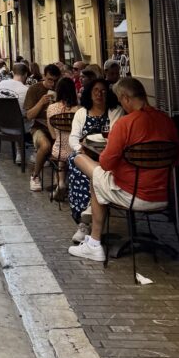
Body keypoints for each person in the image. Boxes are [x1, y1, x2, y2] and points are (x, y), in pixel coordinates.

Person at [68, 77, 179, 262]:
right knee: (96, 174)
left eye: (120, 100)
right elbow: (178, 158)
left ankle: (94, 243)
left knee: (86, 166)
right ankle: (90, 229)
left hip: (133, 194)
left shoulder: (125, 123)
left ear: (126, 98)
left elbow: (105, 163)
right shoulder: (166, 120)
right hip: (164, 196)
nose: (121, 104)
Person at [67, 78, 122, 242]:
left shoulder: (115, 111)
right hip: (86, 153)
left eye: (103, 91)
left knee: (94, 171)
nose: (99, 94)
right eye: (96, 90)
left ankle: (89, 213)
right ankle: (83, 222)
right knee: (74, 161)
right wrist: (79, 148)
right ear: (89, 93)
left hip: (107, 155)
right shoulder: (81, 113)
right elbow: (73, 137)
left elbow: (115, 136)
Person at [23, 64, 61, 191]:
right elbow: (29, 116)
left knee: (64, 145)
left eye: (55, 81)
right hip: (38, 127)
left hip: (57, 128)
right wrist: (41, 102)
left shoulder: (60, 89)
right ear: (44, 76)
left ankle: (59, 180)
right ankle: (35, 176)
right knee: (45, 145)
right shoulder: (34, 89)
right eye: (50, 80)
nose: (52, 84)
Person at [46, 77, 81, 200]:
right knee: (68, 147)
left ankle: (60, 183)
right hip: (76, 151)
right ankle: (70, 185)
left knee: (61, 148)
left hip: (59, 150)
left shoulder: (51, 108)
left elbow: (53, 135)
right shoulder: (79, 110)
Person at [0, 61, 31, 127]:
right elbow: (28, 113)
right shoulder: (26, 90)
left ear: (13, 73)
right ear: (26, 74)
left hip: (0, 123)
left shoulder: (1, 83)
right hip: (19, 126)